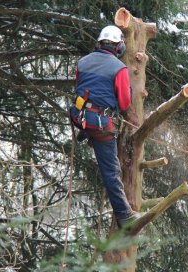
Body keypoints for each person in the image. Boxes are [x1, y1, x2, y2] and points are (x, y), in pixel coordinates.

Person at [69, 25, 140, 228]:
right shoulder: (119, 68)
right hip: (100, 125)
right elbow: (125, 104)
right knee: (111, 172)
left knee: (88, 110)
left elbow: (80, 88)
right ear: (119, 47)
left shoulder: (82, 62)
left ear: (99, 43)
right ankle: (125, 216)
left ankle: (85, 130)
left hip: (79, 116)